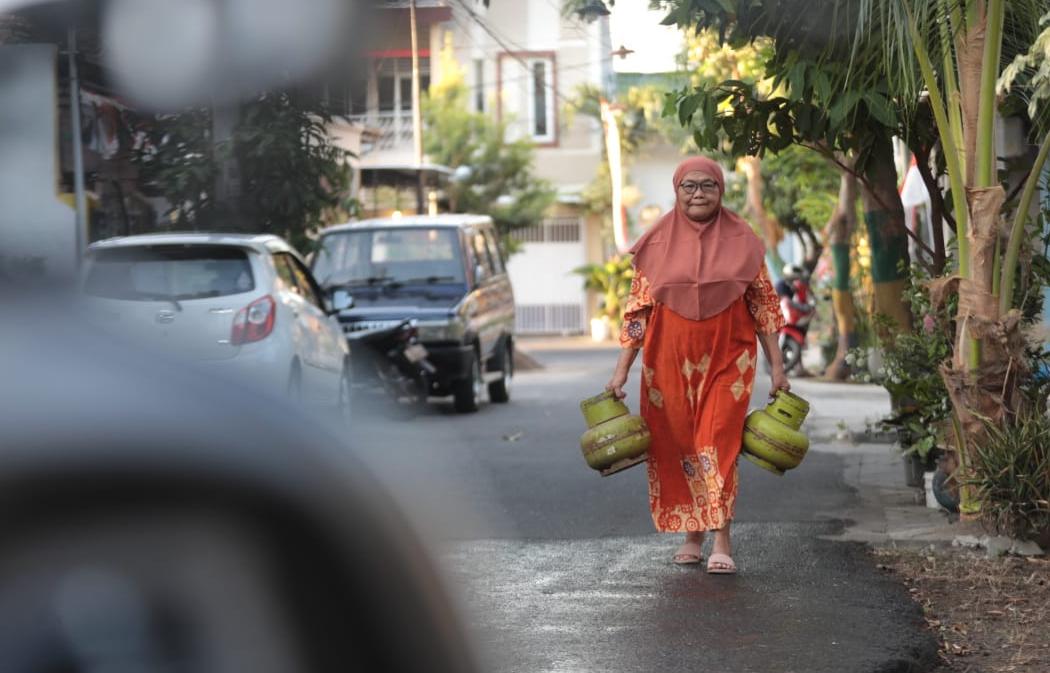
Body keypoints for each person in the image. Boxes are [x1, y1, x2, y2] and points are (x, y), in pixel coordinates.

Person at [606, 156, 788, 574]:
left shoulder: (744, 240)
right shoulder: (655, 243)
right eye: (688, 186)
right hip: (667, 365)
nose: (698, 194)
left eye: (708, 185)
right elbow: (637, 313)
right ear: (677, 191)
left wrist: (777, 368)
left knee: (718, 443)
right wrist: (620, 372)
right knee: (679, 446)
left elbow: (764, 308)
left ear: (721, 190)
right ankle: (693, 532)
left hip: (729, 360)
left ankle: (721, 537)